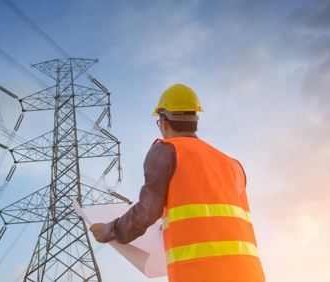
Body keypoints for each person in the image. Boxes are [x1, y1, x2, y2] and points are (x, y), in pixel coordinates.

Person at [89, 84, 265, 281]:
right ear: (195, 121)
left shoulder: (166, 150)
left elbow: (147, 211)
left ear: (164, 122)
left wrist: (107, 231)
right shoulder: (232, 164)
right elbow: (210, 216)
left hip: (198, 274)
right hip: (249, 273)